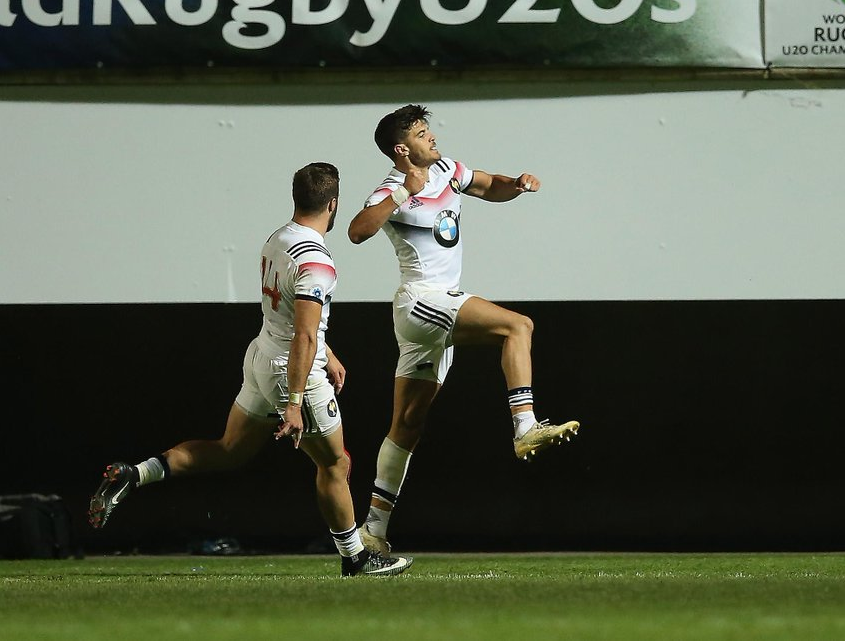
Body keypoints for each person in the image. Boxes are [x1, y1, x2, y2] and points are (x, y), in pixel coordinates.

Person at [88, 162, 412, 578]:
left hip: (261, 356)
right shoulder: (317, 261)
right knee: (336, 464)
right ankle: (356, 558)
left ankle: (136, 473)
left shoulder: (278, 239)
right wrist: (294, 402)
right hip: (291, 370)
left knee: (229, 450)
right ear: (333, 204)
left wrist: (327, 352)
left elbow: (290, 316)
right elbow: (303, 336)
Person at [347, 104, 580, 556]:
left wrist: (517, 184)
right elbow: (357, 231)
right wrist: (403, 192)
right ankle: (525, 425)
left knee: (407, 425)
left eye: (428, 130)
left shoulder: (448, 171)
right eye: (421, 133)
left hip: (437, 308)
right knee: (518, 326)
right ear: (402, 149)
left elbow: (489, 185)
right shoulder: (393, 187)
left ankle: (373, 530)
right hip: (422, 300)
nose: (431, 137)